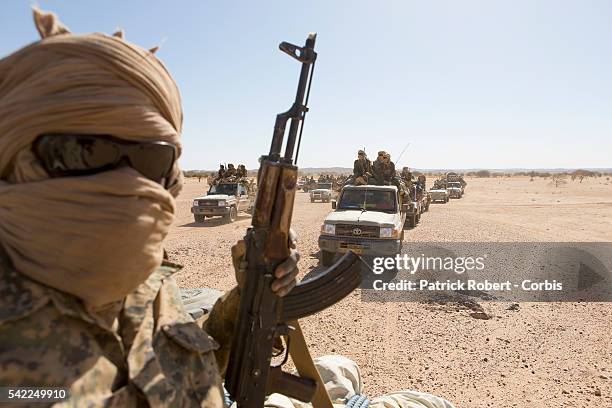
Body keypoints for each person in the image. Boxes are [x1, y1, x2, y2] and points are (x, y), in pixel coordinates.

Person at [0, 10, 457, 408]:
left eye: (151, 160)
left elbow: (187, 350)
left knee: (340, 367)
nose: (125, 184)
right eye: (84, 153)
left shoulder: (135, 279)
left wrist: (252, 296)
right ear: (14, 162)